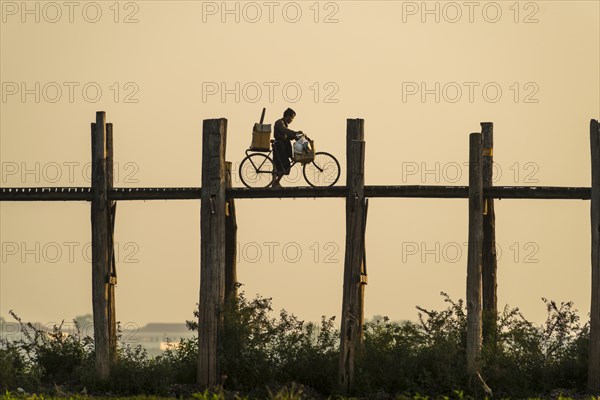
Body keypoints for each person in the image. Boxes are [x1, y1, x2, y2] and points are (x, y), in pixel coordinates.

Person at [272, 108, 303, 187]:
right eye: (292, 118)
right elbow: (285, 131)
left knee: (278, 165)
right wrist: (295, 133)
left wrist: (297, 136)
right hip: (279, 146)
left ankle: (274, 182)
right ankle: (276, 182)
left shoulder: (283, 123)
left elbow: (288, 136)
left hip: (282, 146)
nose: (292, 120)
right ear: (288, 116)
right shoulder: (280, 123)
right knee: (284, 165)